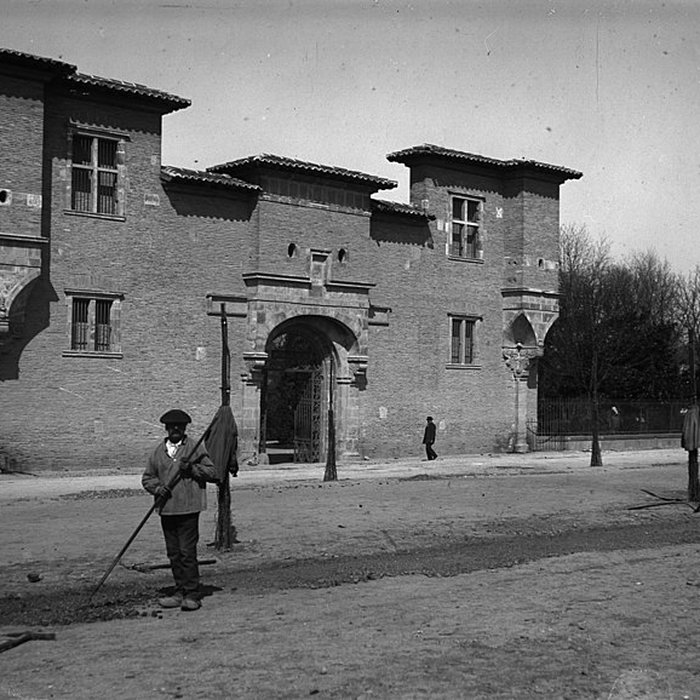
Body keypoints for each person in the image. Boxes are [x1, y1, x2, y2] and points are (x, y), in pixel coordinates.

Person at [142, 409, 219, 611]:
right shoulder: (158, 452)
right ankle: (179, 591)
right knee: (174, 553)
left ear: (184, 429)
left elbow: (212, 472)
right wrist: (159, 489)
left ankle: (192, 594)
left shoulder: (194, 448)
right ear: (167, 429)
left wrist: (192, 469)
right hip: (167, 509)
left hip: (188, 508)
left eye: (180, 426)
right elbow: (147, 478)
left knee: (187, 552)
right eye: (172, 426)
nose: (176, 429)